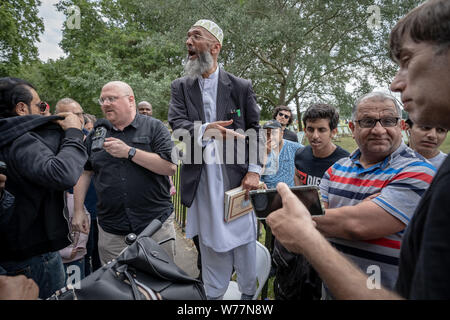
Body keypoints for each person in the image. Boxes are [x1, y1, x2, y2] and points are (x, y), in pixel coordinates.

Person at [266, 6, 450, 295]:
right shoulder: (335, 171)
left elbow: (355, 225)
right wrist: (363, 207)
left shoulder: (420, 171)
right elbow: (336, 217)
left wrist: (305, 224)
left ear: (401, 125)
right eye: (367, 121)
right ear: (352, 128)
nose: (378, 129)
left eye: (388, 121)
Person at [168, 19, 262, 300]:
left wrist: (254, 171)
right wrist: (207, 130)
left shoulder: (240, 86)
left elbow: (255, 129)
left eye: (196, 36)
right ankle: (214, 296)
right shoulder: (181, 87)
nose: (188, 42)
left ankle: (248, 296)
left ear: (215, 47)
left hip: (237, 181)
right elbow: (177, 124)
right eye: (187, 37)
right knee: (210, 244)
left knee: (245, 245)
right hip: (202, 181)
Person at [0, 77, 88, 299]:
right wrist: (73, 133)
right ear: (21, 108)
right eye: (41, 106)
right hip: (32, 256)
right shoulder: (19, 139)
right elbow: (62, 173)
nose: (44, 112)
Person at [72, 81, 177, 266]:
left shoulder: (155, 128)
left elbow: (170, 167)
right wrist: (78, 210)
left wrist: (130, 152)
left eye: (111, 98)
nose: (105, 103)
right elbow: (85, 173)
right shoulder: (97, 134)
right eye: (103, 99)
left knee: (160, 286)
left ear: (130, 100)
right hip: (112, 231)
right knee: (117, 287)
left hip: (155, 226)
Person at [273, 103, 349, 300]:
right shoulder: (301, 154)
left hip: (328, 237)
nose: (315, 135)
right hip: (301, 234)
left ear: (333, 131)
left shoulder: (345, 162)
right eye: (310, 129)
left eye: (322, 130)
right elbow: (298, 188)